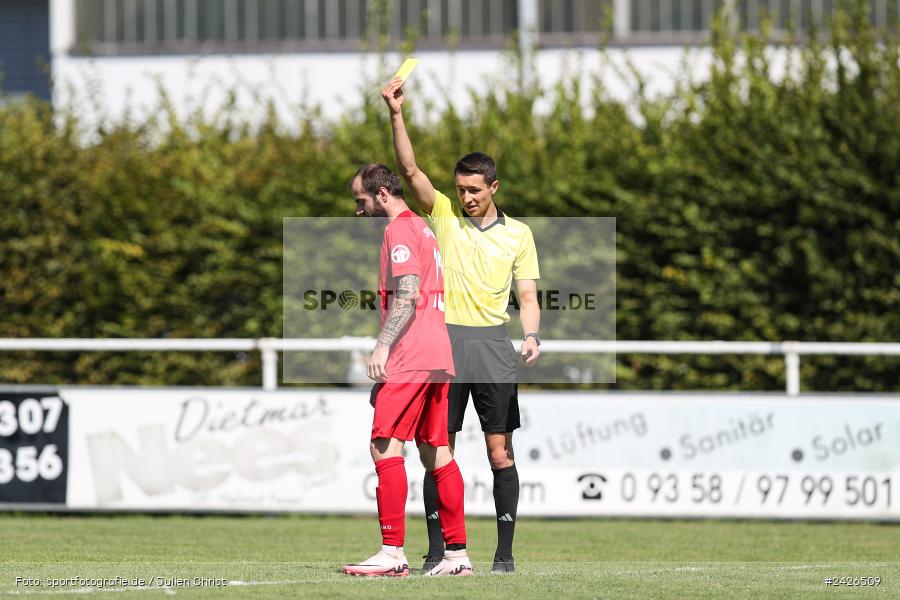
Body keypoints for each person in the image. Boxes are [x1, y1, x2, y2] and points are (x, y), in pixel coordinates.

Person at [382, 77, 542, 574]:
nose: (466, 197)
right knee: (437, 450)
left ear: (494, 187)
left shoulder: (519, 233)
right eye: (460, 190)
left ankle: (504, 556)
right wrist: (396, 113)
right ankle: (439, 553)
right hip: (445, 345)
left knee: (499, 452)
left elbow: (529, 296)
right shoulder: (445, 215)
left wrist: (531, 333)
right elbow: (408, 169)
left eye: (475, 190)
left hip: (493, 345)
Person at [343, 163, 473, 578]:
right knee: (437, 452)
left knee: (384, 446)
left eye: (361, 200)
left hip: (411, 353)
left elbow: (409, 290)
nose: (358, 210)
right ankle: (457, 557)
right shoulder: (424, 227)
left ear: (382, 194)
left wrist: (383, 344)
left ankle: (392, 552)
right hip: (438, 351)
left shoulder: (398, 229)